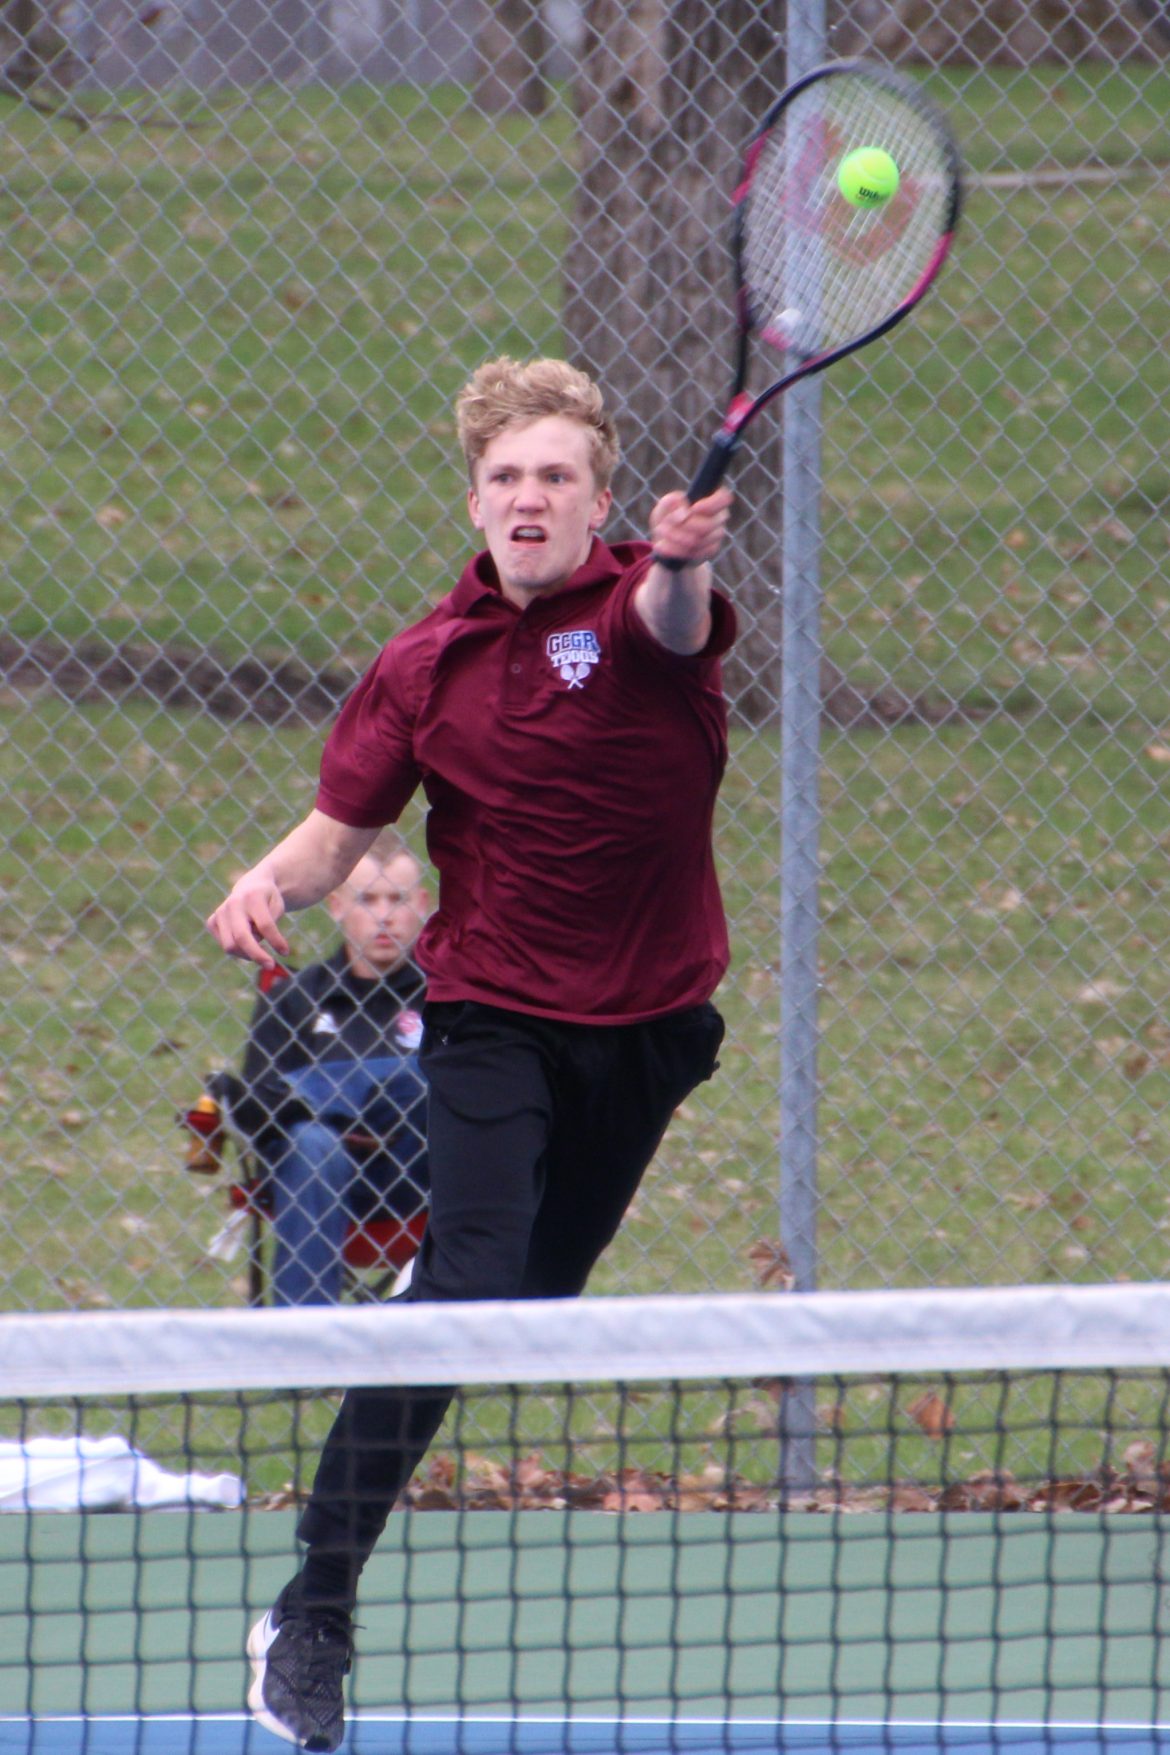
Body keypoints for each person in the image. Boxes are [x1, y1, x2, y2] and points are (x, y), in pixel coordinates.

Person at [205, 355, 735, 1752]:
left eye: (555, 474)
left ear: (599, 500)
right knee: (467, 1283)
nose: (527, 495)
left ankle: (329, 1559)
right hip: (491, 1009)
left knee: (524, 1301)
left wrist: (676, 562)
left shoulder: (638, 612)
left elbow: (672, 623)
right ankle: (313, 1609)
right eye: (505, 475)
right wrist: (269, 880)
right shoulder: (424, 665)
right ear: (474, 497)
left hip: (647, 1024)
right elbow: (335, 831)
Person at [219, 833, 430, 1306]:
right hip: (317, 1186)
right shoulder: (294, 1000)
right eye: (367, 899)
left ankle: (307, 1096)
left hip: (423, 1179)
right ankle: (306, 1360)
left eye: (396, 899)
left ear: (421, 904)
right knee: (313, 1142)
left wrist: (305, 1103)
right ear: (335, 905)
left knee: (425, 1077)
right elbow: (268, 1132)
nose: (384, 915)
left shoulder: (448, 996)